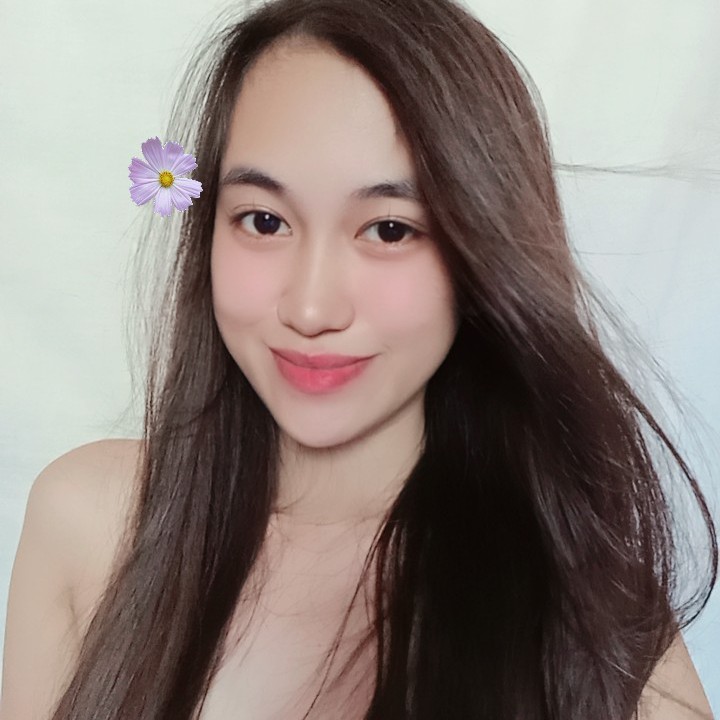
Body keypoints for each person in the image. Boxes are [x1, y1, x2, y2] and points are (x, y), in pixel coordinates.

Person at [1, 0, 717, 718]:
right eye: (264, 221)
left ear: (483, 251)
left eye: (389, 230)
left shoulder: (590, 618)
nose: (311, 310)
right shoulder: (85, 523)